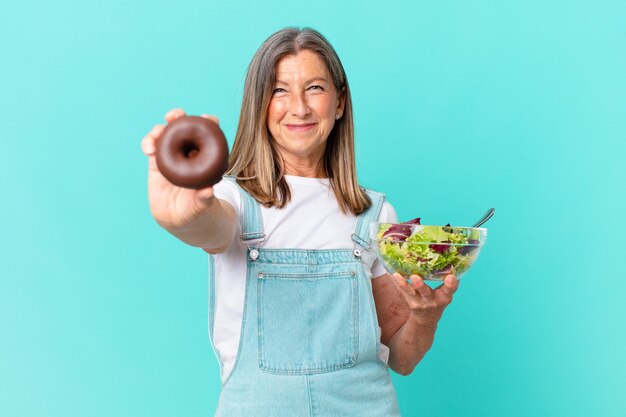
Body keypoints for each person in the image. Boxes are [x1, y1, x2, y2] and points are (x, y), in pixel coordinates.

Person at [141, 27, 459, 417]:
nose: (299, 107)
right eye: (279, 90)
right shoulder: (231, 200)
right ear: (259, 104)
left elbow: (402, 356)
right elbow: (209, 227)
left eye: (315, 88)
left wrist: (425, 316)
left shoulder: (374, 215)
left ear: (340, 102)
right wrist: (185, 215)